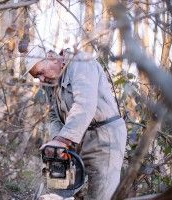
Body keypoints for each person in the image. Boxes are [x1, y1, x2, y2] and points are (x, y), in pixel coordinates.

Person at [24, 45, 127, 199]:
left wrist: (62, 140)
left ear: (51, 57)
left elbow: (84, 104)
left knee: (101, 194)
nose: (41, 80)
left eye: (40, 73)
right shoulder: (51, 82)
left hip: (104, 136)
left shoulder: (80, 62)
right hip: (77, 138)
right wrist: (56, 143)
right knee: (60, 191)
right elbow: (54, 116)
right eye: (36, 77)